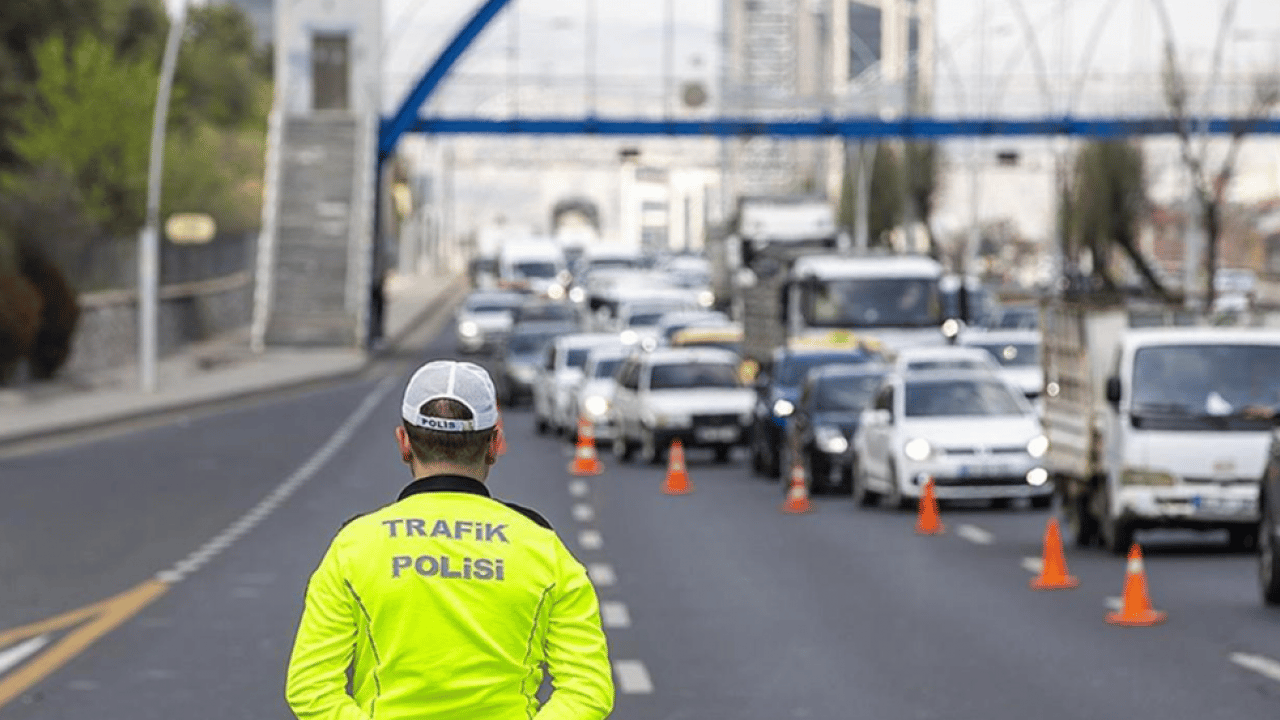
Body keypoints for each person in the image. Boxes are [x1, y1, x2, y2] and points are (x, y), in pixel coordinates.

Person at [285, 360, 614, 719]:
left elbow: (310, 686)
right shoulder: (542, 547)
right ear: (494, 444)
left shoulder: (355, 546)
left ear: (404, 442)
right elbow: (588, 689)